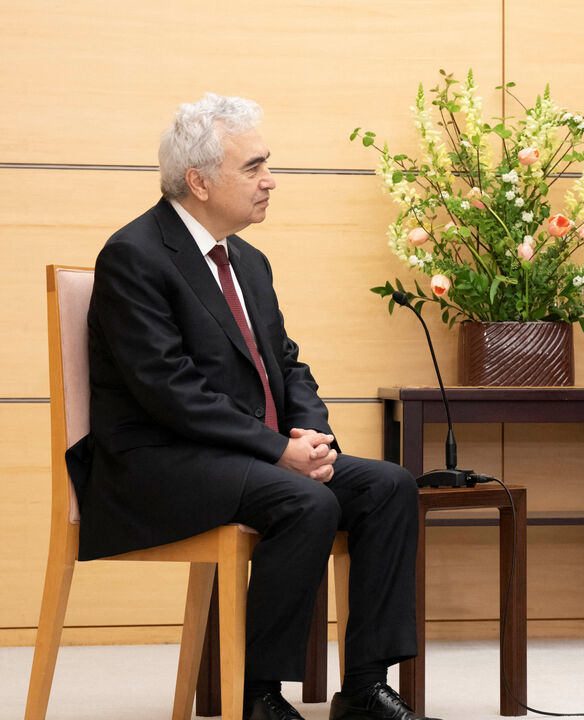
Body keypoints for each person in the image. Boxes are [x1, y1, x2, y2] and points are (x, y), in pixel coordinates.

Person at [69, 93, 426, 720]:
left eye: (268, 165)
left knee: (389, 486)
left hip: (244, 456)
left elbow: (287, 364)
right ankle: (258, 693)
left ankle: (365, 686)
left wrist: (310, 437)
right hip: (157, 462)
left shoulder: (249, 263)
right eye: (253, 167)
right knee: (305, 499)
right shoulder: (135, 256)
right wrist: (278, 452)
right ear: (198, 181)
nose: (270, 181)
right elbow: (167, 389)